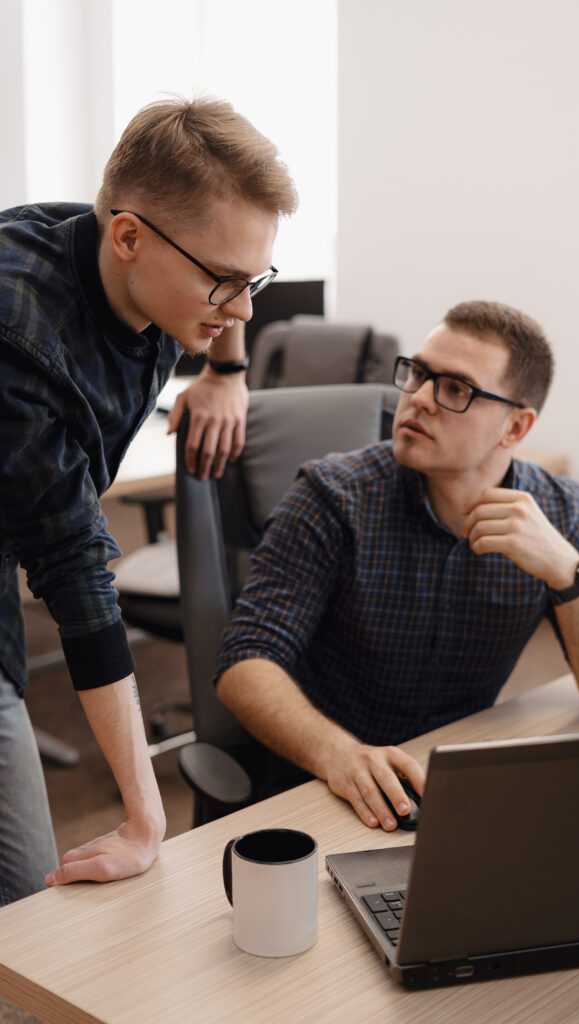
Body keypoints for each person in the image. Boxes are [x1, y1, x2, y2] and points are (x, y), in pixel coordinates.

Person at [0, 97, 297, 905]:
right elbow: (74, 573)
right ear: (130, 238)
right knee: (26, 901)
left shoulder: (142, 262)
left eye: (252, 281)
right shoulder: (17, 333)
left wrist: (225, 372)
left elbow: (220, 279)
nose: (240, 309)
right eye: (224, 284)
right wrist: (144, 819)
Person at [216, 300, 579, 831]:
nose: (418, 399)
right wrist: (341, 755)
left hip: (453, 787)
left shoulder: (558, 513)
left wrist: (569, 574)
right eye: (419, 374)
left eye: (455, 389)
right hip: (322, 786)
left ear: (515, 428)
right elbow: (246, 663)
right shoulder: (334, 496)